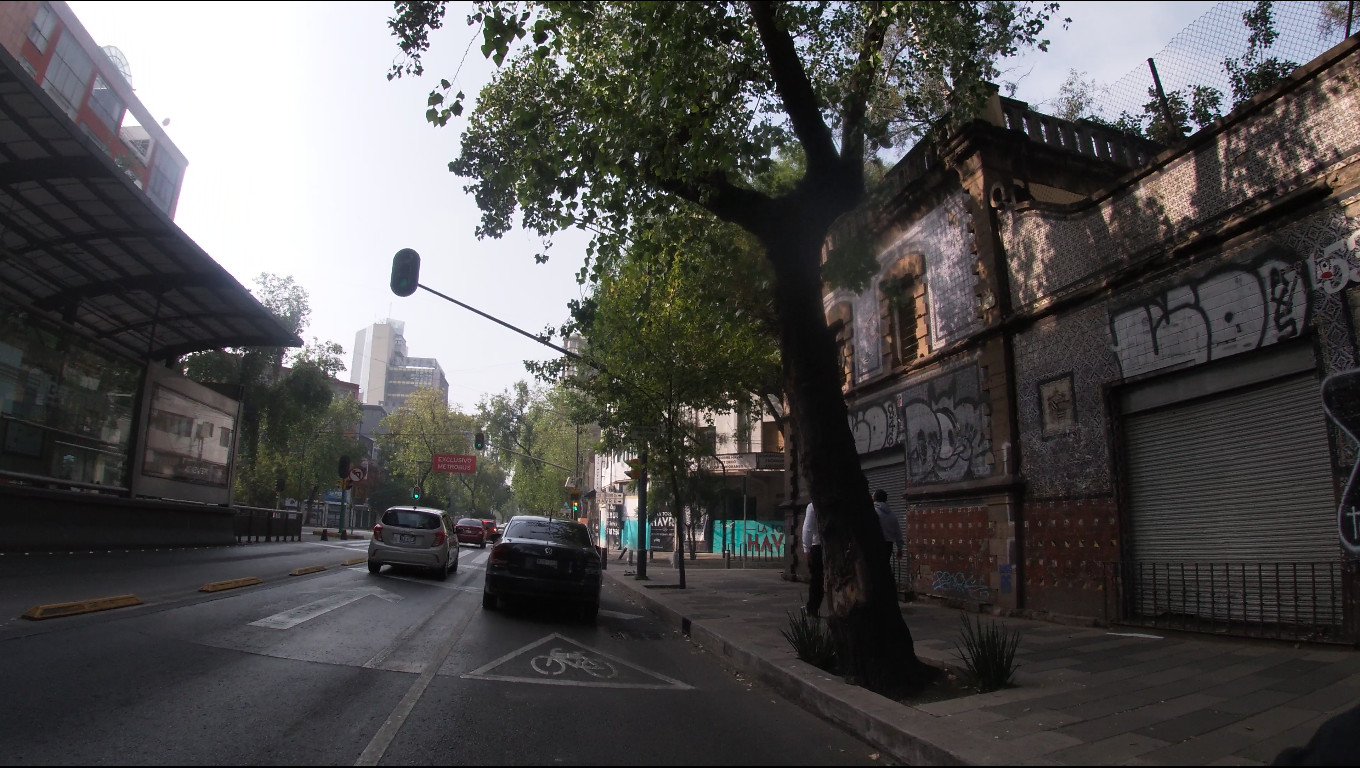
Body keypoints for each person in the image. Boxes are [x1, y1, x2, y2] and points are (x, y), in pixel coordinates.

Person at [873, 489, 903, 572]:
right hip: (888, 546)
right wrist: (899, 548)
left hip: (876, 544)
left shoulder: (873, 512)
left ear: (874, 498)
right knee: (885, 566)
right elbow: (898, 533)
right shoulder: (892, 514)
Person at [802, 501, 823, 617]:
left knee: (817, 579)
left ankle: (813, 608)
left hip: (818, 546)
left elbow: (807, 528)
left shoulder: (813, 505)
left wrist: (806, 548)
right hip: (836, 546)